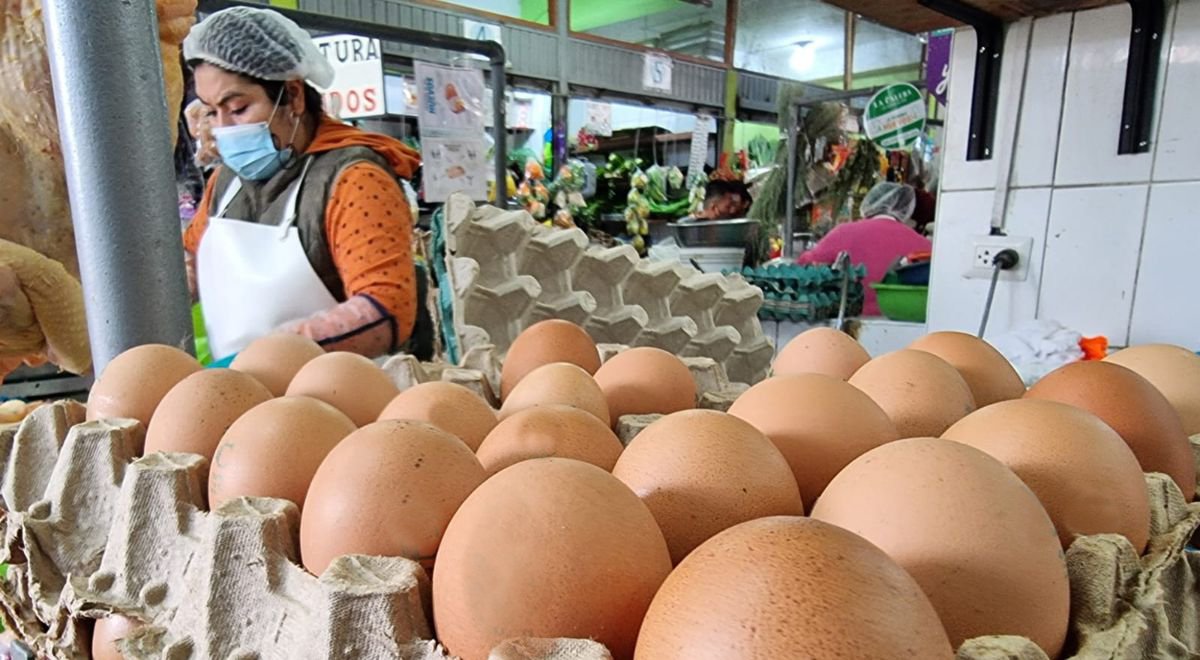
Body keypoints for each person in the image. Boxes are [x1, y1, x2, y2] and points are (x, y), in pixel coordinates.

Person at [181, 7, 423, 362]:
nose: (225, 127)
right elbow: (193, 259)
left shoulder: (354, 178)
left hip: (333, 400)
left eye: (239, 108)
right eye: (212, 112)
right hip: (240, 396)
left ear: (292, 96)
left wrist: (271, 354)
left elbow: (385, 308)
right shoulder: (226, 182)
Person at [797, 182, 932, 317]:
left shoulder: (844, 232)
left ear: (869, 203)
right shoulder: (926, 246)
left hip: (848, 324)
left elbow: (805, 267)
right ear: (907, 210)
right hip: (905, 325)